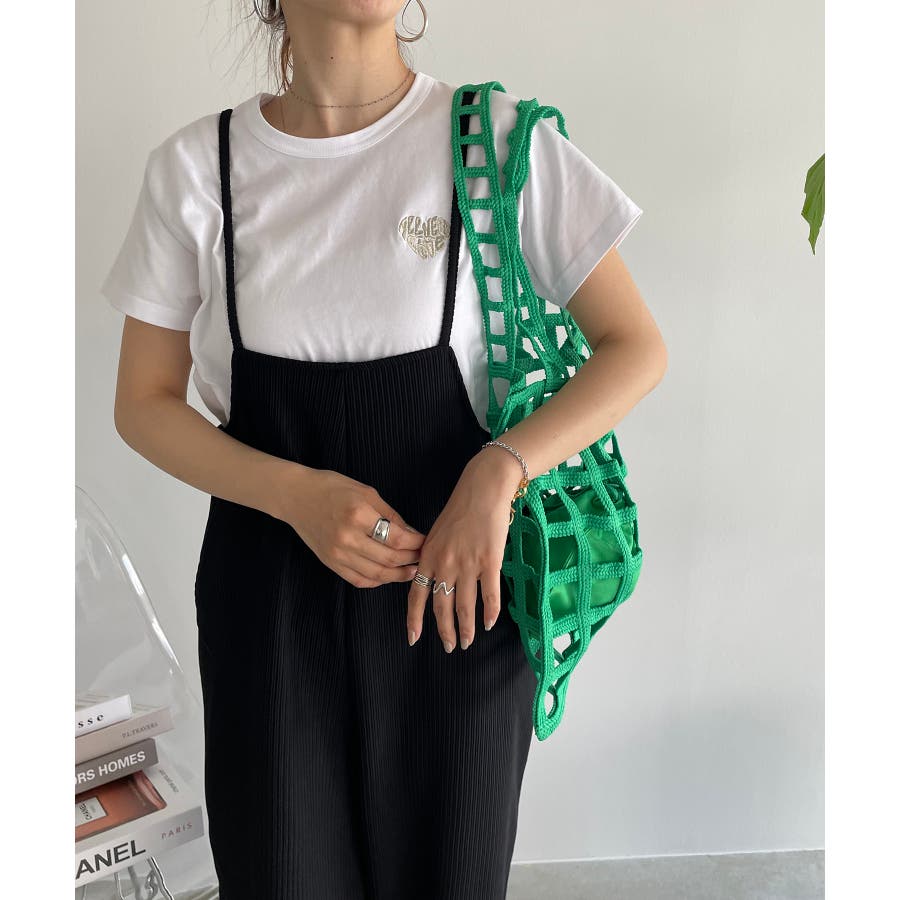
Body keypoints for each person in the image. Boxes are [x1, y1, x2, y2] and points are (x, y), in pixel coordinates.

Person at [100, 1, 667, 897]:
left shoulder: (497, 144)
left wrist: (499, 470)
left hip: (458, 610)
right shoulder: (198, 169)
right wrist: (295, 495)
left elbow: (635, 347)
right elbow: (143, 403)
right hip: (269, 618)